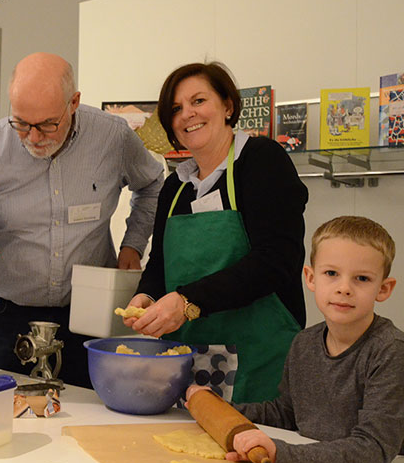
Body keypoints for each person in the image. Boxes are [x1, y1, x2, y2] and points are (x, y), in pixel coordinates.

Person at [0, 52, 164, 388]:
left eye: (47, 124)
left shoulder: (113, 137)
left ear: (74, 102)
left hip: (89, 312)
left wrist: (133, 243)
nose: (33, 137)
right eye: (21, 124)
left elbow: (153, 186)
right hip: (9, 313)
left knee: (90, 414)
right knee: (10, 415)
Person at [125, 62, 308, 403]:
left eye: (198, 101)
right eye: (176, 109)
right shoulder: (174, 187)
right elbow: (160, 264)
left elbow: (276, 261)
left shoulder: (262, 161)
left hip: (260, 357)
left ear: (227, 105)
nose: (187, 115)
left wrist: (187, 301)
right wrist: (146, 298)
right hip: (187, 358)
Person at [189, 216, 404, 463]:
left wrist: (283, 454)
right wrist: (218, 408)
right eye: (331, 274)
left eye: (362, 278)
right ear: (311, 278)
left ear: (383, 289)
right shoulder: (304, 343)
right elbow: (288, 413)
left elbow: (374, 449)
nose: (344, 288)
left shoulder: (389, 350)